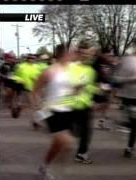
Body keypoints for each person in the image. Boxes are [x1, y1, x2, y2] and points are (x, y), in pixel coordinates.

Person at [32, 44, 81, 180]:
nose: (73, 54)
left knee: (58, 145)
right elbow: (34, 91)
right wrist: (37, 110)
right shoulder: (49, 71)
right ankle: (59, 174)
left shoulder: (71, 70)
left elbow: (70, 90)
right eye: (71, 52)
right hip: (51, 110)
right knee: (67, 142)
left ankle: (44, 167)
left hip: (67, 109)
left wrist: (76, 89)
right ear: (63, 54)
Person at [113, 40, 136, 160]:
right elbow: (117, 79)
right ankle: (129, 149)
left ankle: (125, 121)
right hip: (130, 96)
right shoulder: (127, 60)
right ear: (135, 47)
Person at [92, 47, 114, 129]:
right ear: (104, 53)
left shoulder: (109, 63)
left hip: (107, 85)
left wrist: (110, 84)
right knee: (97, 104)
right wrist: (97, 84)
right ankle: (84, 114)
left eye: (111, 54)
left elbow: (109, 74)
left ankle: (100, 123)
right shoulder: (97, 61)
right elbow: (93, 73)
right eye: (109, 53)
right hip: (98, 84)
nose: (110, 55)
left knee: (107, 104)